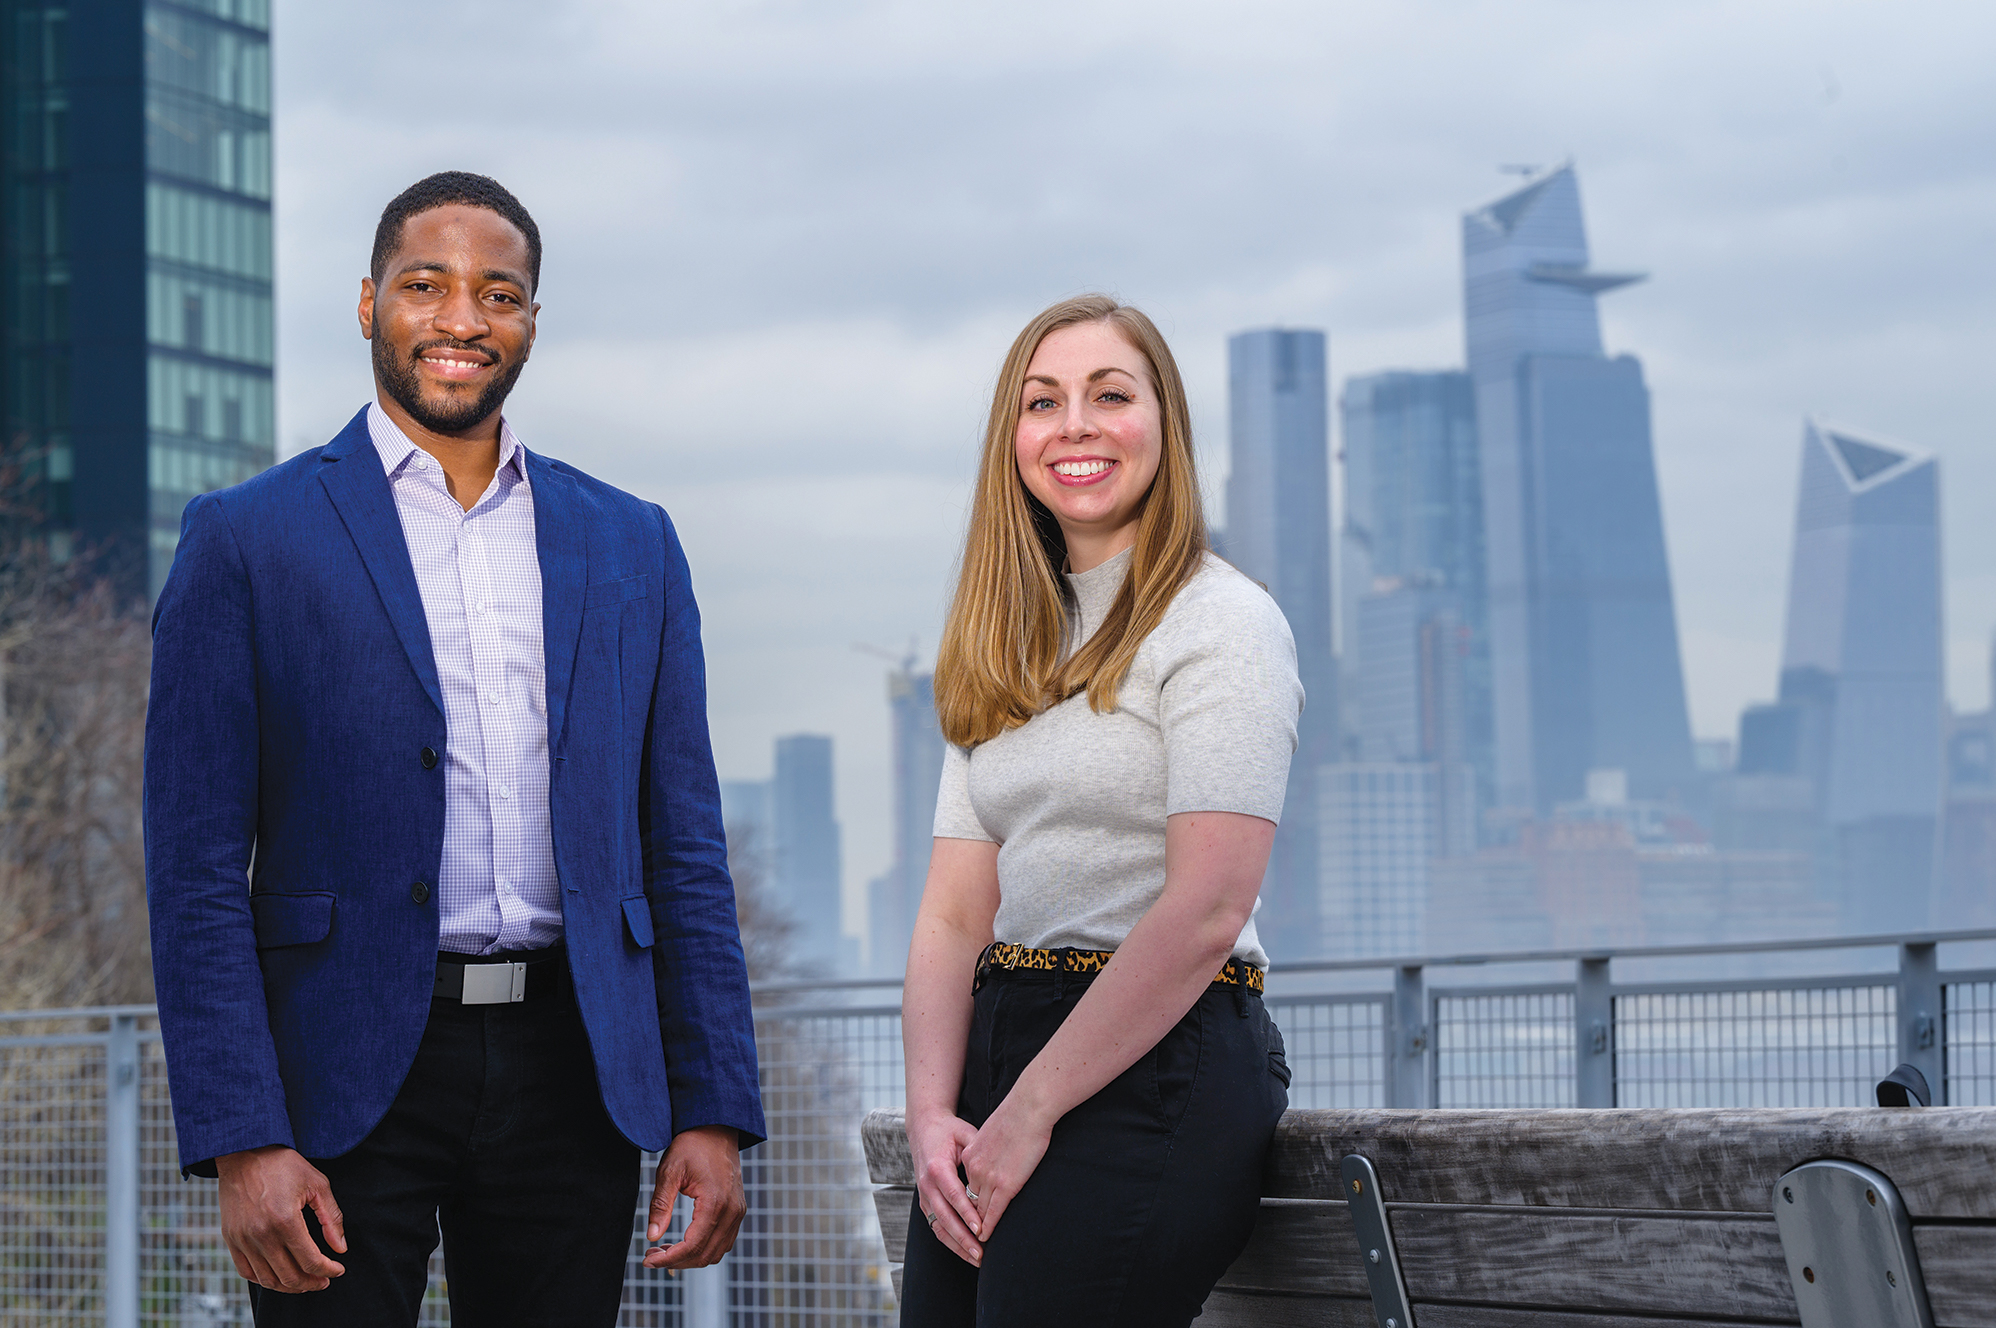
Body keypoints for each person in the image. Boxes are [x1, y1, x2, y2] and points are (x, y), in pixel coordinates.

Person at [144, 171, 766, 1327]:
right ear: (369, 302)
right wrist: (242, 1136)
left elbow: (682, 849)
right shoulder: (245, 539)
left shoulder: (632, 542)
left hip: (573, 1064)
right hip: (338, 1075)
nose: (462, 319)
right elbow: (191, 871)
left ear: (532, 320)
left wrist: (712, 1107)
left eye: (499, 293)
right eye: (426, 285)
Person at [897, 295, 1301, 1325]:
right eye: (1042, 402)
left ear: (1164, 425)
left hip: (1155, 1059)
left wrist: (1031, 1106)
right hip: (1000, 1052)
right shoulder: (1003, 643)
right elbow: (951, 914)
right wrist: (932, 1112)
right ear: (1012, 439)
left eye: (1109, 394)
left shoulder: (1223, 622)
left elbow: (1210, 903)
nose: (1073, 424)